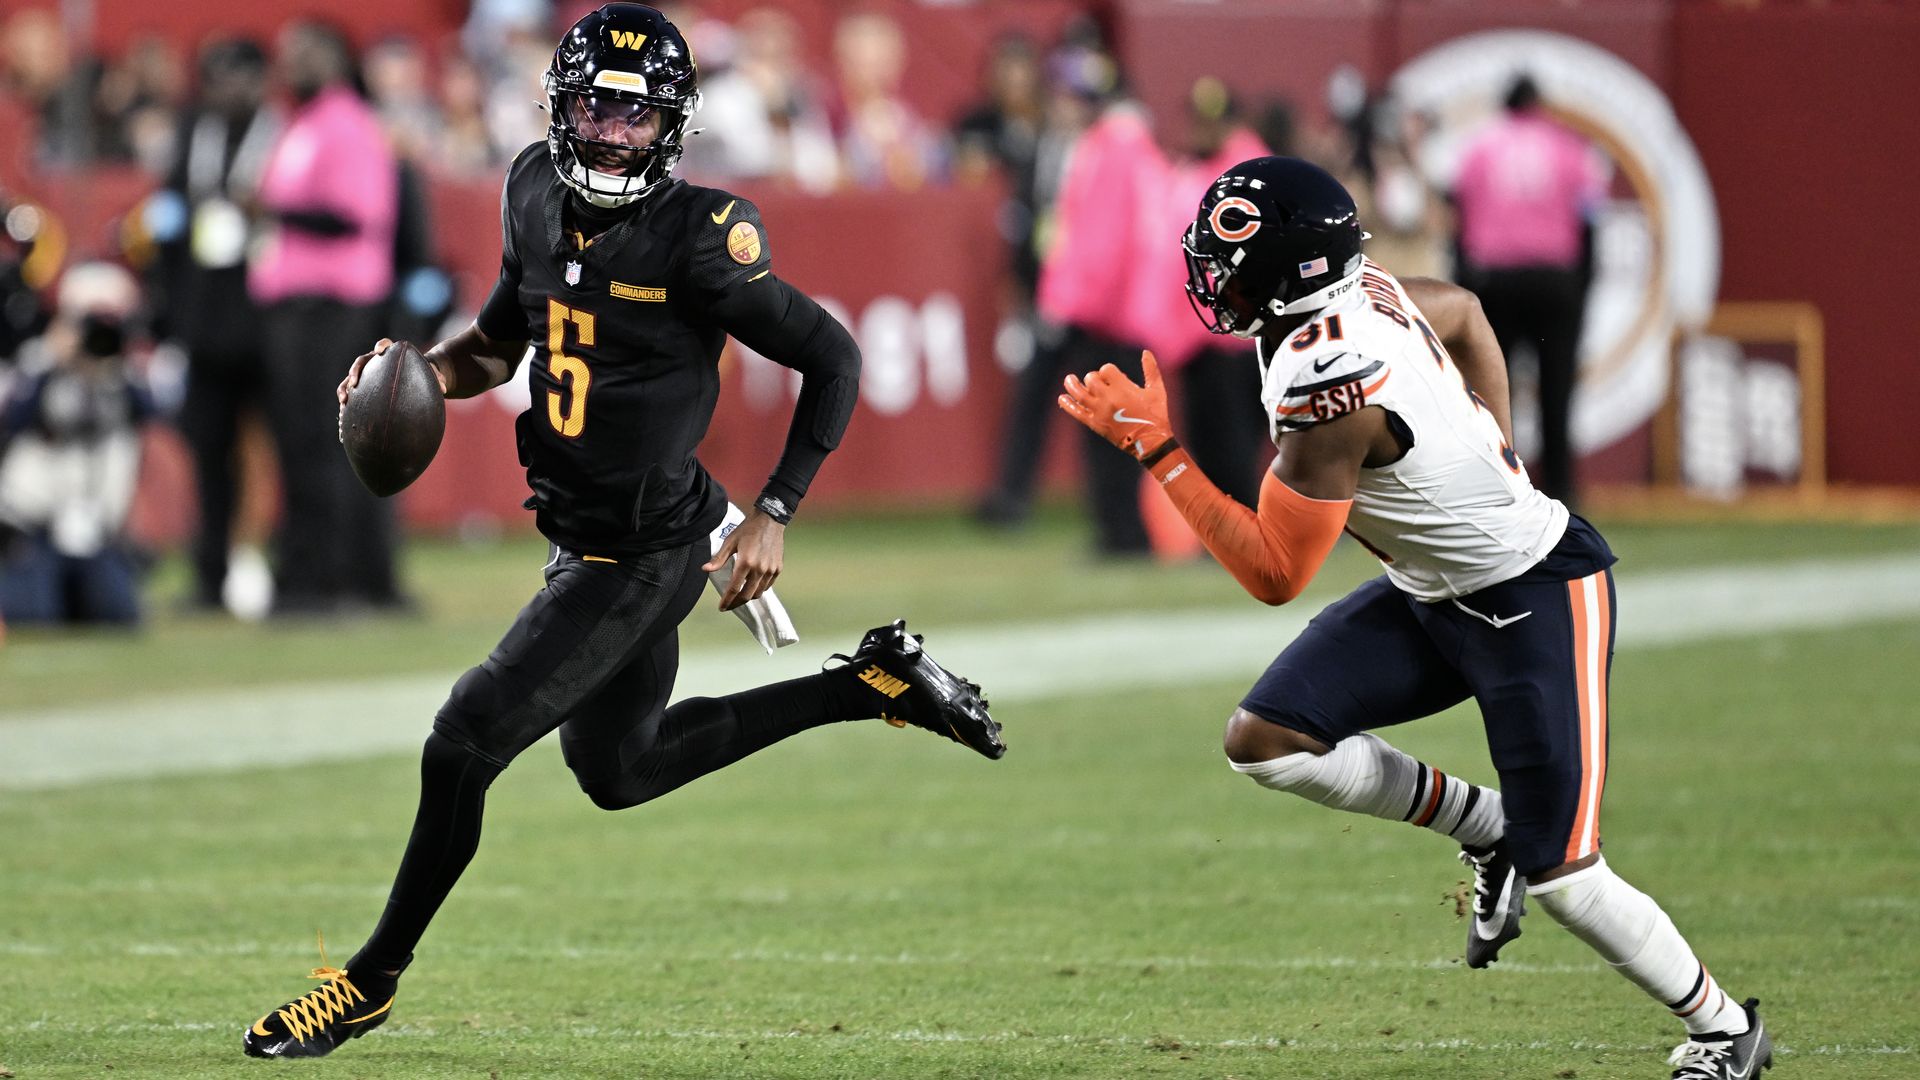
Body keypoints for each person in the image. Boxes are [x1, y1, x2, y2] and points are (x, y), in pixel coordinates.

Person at [240, 5, 1003, 1060]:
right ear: (560, 107)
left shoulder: (703, 237)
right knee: (620, 771)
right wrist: (413, 372)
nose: (608, 134)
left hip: (640, 553)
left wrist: (775, 512)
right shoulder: (532, 191)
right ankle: (866, 684)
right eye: (594, 107)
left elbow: (832, 356)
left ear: (672, 126)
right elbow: (499, 348)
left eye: (634, 118)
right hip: (583, 534)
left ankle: (369, 982)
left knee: (464, 740)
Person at [1058, 157, 1769, 1080]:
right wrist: (1499, 449)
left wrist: (1156, 449)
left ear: (1289, 274)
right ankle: (1486, 826)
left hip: (1532, 594)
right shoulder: (1361, 294)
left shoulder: (1330, 379)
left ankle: (1723, 1030)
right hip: (1435, 589)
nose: (1214, 279)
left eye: (1234, 263)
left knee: (1568, 876)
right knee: (1266, 740)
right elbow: (1467, 311)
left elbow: (1277, 571)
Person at [249, 19, 403, 615]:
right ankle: (306, 574)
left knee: (329, 445)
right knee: (301, 447)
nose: (291, 62)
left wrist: (274, 212)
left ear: (337, 59)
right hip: (295, 309)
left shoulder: (347, 124)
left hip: (333, 306)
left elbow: (353, 216)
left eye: (305, 52)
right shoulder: (301, 123)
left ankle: (336, 580)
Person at [148, 36, 277, 613]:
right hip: (205, 323)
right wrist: (171, 318)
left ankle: (294, 570)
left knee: (293, 453)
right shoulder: (191, 136)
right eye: (216, 78)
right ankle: (209, 576)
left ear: (259, 81)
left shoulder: (281, 137)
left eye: (237, 77)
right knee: (208, 456)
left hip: (269, 322)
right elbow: (171, 229)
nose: (224, 91)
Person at [1450, 74, 1603, 507]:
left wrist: (1467, 288)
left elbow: (1458, 222)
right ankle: (1563, 491)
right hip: (1554, 281)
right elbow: (1591, 219)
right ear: (1538, 104)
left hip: (1497, 281)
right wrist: (1581, 286)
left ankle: (1497, 488)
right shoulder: (1568, 147)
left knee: (1492, 388)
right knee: (1557, 391)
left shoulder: (1479, 148)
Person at [0, 262, 156, 625]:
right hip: (32, 526)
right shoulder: (37, 364)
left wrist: (117, 368)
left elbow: (154, 412)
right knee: (33, 614)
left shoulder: (123, 376)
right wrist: (54, 359)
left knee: (119, 616)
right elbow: (13, 419)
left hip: (93, 529)